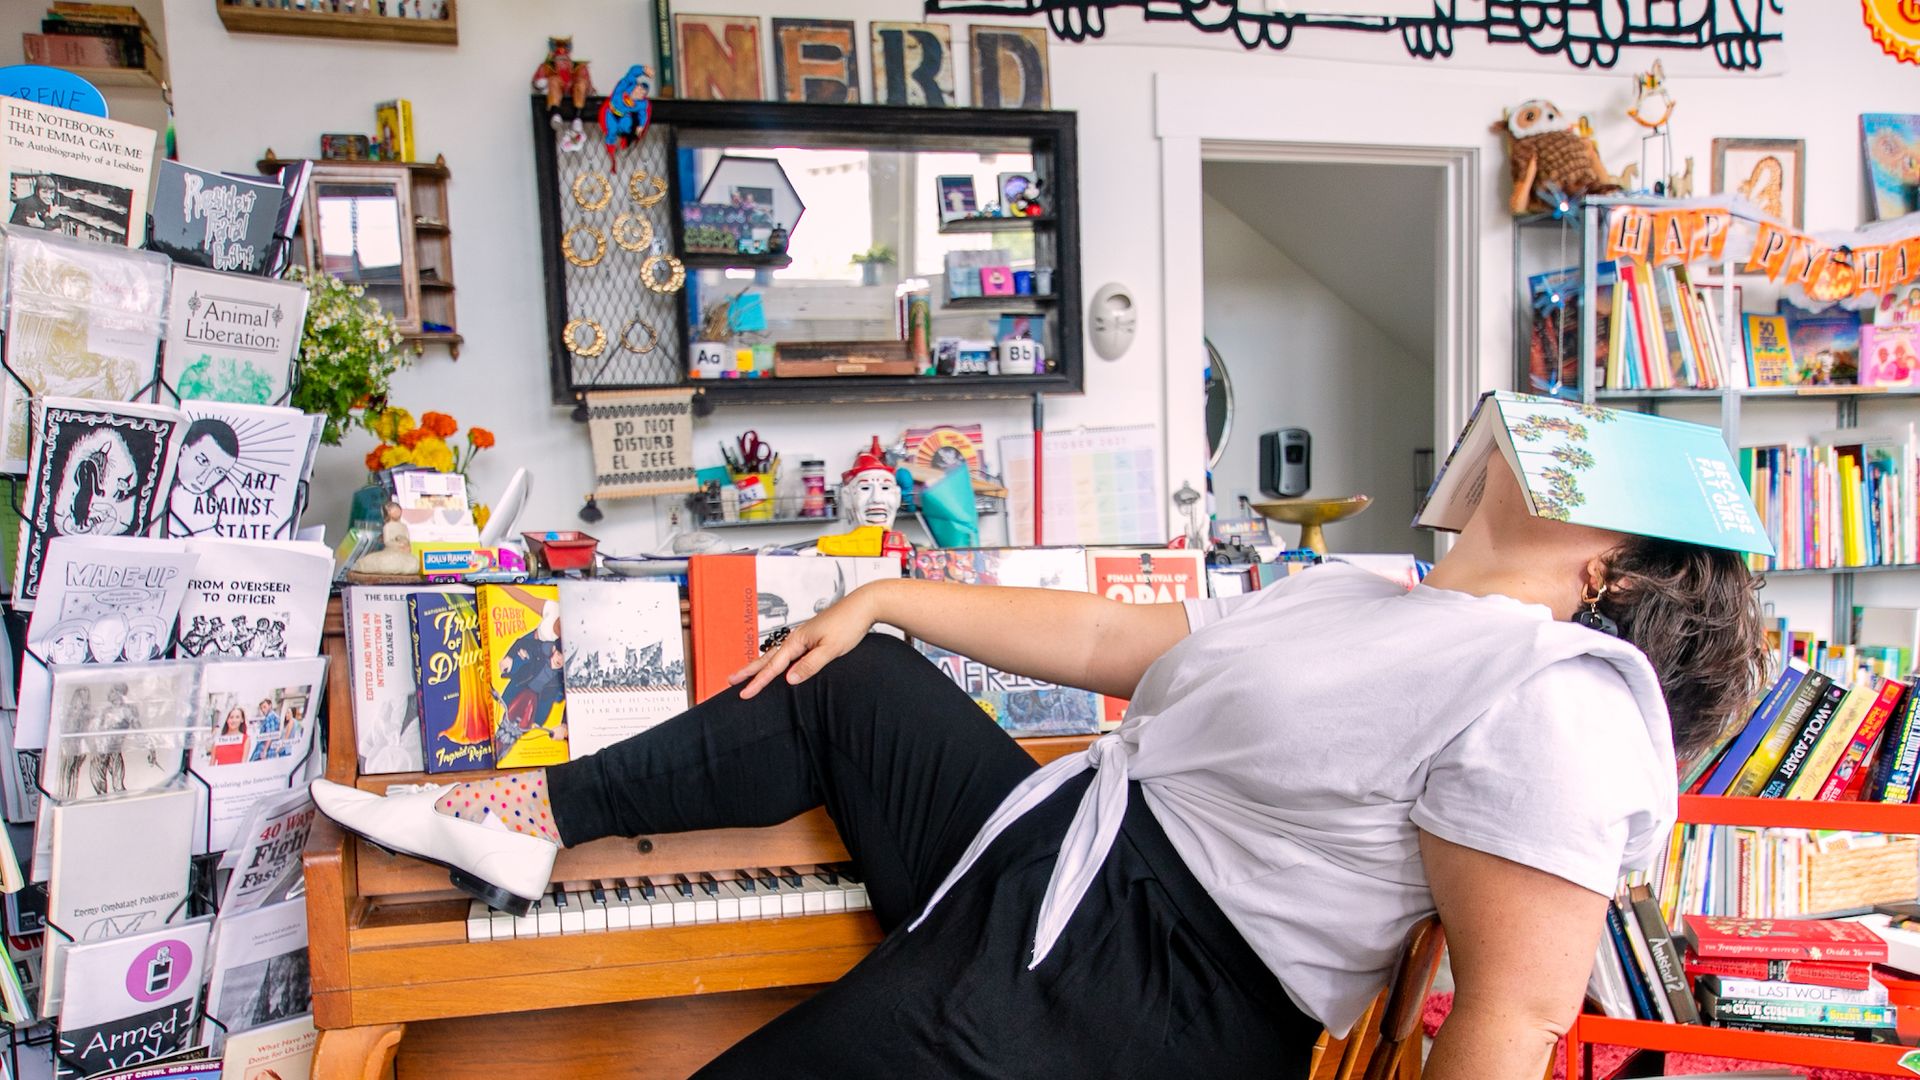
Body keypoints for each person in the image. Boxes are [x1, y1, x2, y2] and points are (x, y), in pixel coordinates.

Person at [313, 445, 1766, 1079]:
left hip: (1148, 999)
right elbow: (1113, 641)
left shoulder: (1563, 695)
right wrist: (887, 594)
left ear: (1614, 571)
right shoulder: (1372, 595)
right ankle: (524, 820)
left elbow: (1506, 1024)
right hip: (1062, 845)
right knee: (856, 680)